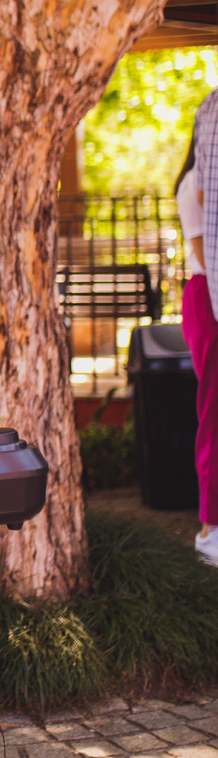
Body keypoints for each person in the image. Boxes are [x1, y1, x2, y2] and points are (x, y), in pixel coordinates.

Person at [176, 119, 218, 566]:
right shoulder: (192, 187)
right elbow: (207, 252)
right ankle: (210, 529)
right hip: (208, 295)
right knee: (215, 411)